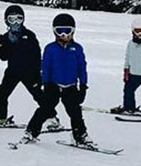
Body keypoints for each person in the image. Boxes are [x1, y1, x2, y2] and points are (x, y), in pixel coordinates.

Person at [21, 12, 93, 146]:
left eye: (67, 31)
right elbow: (45, 67)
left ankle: (80, 135)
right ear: (55, 32)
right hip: (53, 86)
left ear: (73, 31)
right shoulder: (50, 49)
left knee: (75, 111)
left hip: (70, 87)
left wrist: (83, 86)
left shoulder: (76, 49)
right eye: (60, 31)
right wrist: (43, 83)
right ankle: (31, 131)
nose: (64, 35)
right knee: (45, 109)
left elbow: (82, 68)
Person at [0, 4, 41, 126]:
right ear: (6, 21)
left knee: (38, 94)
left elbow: (37, 54)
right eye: (11, 19)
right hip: (12, 71)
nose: (16, 23)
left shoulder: (29, 35)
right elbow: (3, 57)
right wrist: (0, 46)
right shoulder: (5, 38)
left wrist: (38, 72)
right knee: (2, 92)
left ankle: (51, 117)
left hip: (29, 72)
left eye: (19, 19)